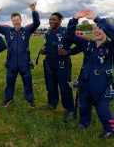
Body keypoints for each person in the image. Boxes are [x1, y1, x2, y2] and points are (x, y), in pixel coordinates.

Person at [67, 10, 114, 139]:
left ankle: (110, 129)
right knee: (84, 106)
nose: (97, 30)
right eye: (94, 28)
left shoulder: (111, 47)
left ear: (106, 30)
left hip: (102, 86)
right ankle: (84, 123)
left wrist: (97, 19)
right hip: (85, 83)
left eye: (100, 28)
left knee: (103, 111)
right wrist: (74, 19)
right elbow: (69, 35)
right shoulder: (87, 43)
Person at [0, 3, 40, 107]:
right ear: (12, 22)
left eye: (17, 20)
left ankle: (30, 99)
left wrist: (33, 10)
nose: (16, 22)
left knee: (27, 82)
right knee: (9, 83)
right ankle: (8, 99)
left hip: (24, 62)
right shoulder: (7, 30)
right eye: (14, 20)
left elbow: (36, 23)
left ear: (21, 20)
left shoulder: (27, 30)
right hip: (11, 62)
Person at [40, 12, 82, 123]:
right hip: (49, 64)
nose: (51, 21)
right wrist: (44, 50)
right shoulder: (48, 33)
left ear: (60, 20)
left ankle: (70, 110)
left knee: (65, 88)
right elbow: (46, 46)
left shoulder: (66, 33)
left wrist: (68, 52)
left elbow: (80, 45)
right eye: (50, 19)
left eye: (54, 19)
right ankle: (52, 104)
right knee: (51, 87)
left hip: (63, 65)